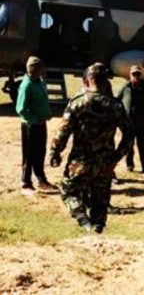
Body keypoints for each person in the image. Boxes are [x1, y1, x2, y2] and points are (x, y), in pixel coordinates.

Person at [49, 63, 133, 233]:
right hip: (105, 163)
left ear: (86, 80)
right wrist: (116, 158)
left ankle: (82, 219)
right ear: (105, 81)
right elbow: (129, 135)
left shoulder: (77, 103)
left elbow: (63, 131)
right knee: (100, 198)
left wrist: (55, 151)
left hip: (80, 162)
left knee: (68, 191)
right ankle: (98, 227)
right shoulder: (115, 106)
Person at [16, 56, 55, 194]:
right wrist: (35, 119)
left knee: (40, 151)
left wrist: (46, 114)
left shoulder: (39, 82)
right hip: (30, 125)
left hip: (41, 123)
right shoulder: (26, 85)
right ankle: (25, 182)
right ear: (35, 69)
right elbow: (21, 109)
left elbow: (43, 101)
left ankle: (41, 178)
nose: (43, 70)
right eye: (41, 67)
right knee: (29, 154)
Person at [116, 64, 144, 174]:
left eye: (138, 74)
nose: (136, 76)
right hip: (128, 121)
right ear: (130, 75)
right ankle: (130, 165)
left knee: (143, 145)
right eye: (134, 74)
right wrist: (121, 115)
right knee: (129, 145)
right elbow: (116, 100)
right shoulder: (125, 87)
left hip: (142, 121)